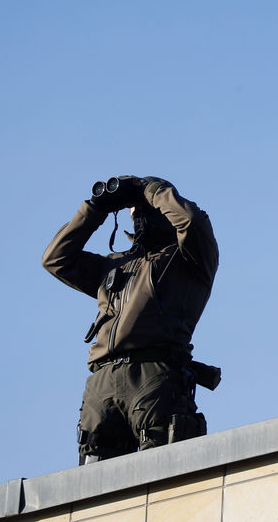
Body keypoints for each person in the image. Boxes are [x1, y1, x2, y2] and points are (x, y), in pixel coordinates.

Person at [42, 175, 219, 464]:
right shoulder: (114, 265)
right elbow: (56, 259)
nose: (137, 212)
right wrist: (94, 210)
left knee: (163, 475)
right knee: (93, 487)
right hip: (102, 382)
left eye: (141, 207)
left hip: (154, 376)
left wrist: (149, 189)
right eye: (132, 209)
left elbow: (191, 221)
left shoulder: (188, 259)